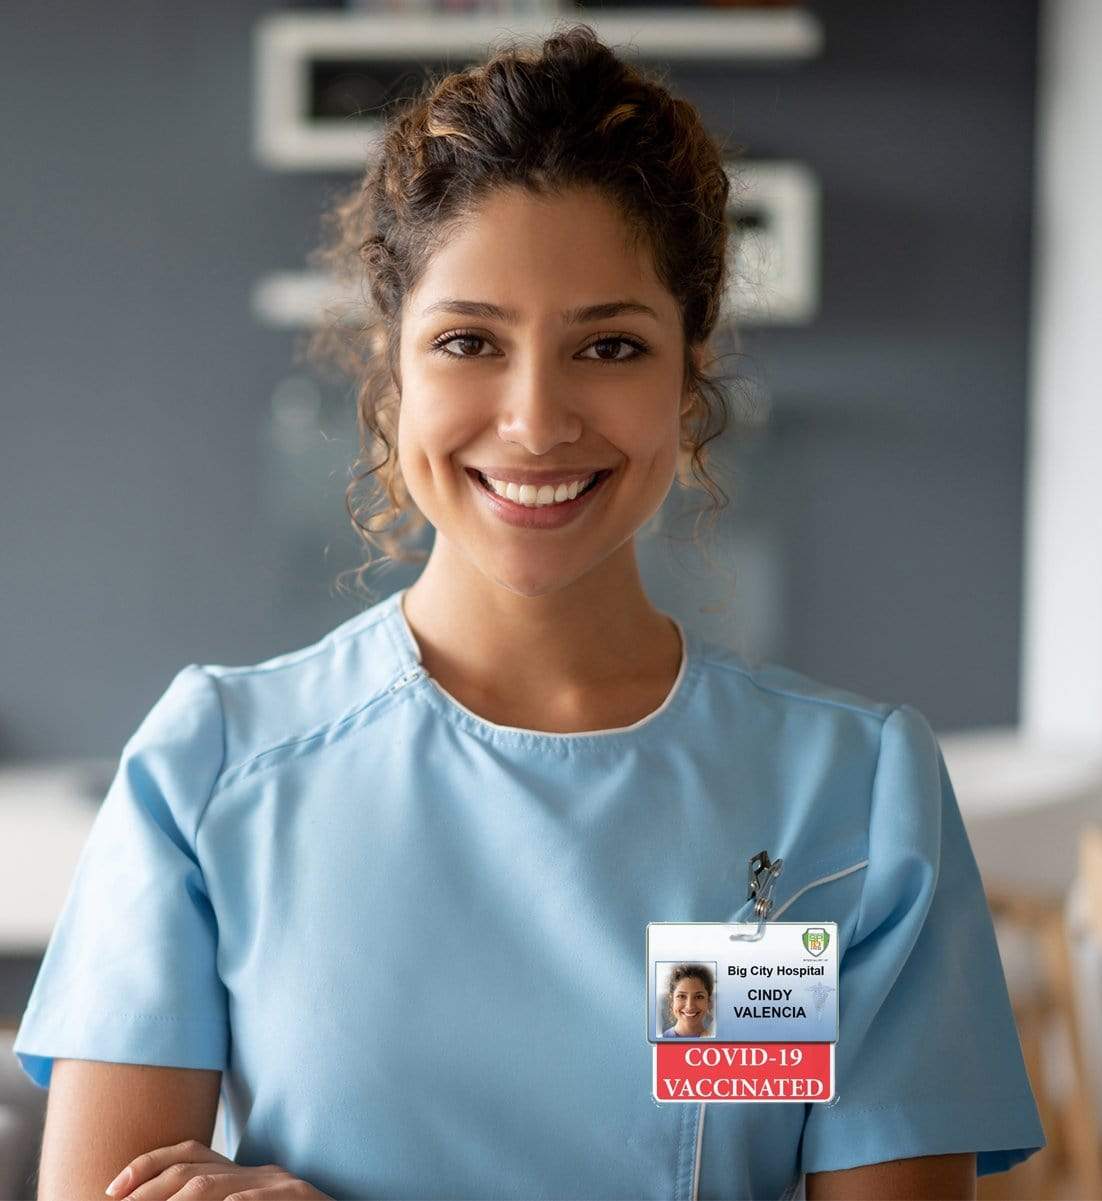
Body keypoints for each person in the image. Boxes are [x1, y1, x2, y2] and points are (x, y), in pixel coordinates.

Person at [12, 23, 1046, 1201]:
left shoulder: (850, 793)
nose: (537, 419)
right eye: (469, 342)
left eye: (609, 344)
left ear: (688, 370)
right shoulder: (208, 773)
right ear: (391, 369)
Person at [661, 964, 716, 1038]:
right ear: (672, 1000)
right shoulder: (660, 1041)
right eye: (681, 996)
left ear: (708, 1001)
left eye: (699, 997)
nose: (690, 1006)